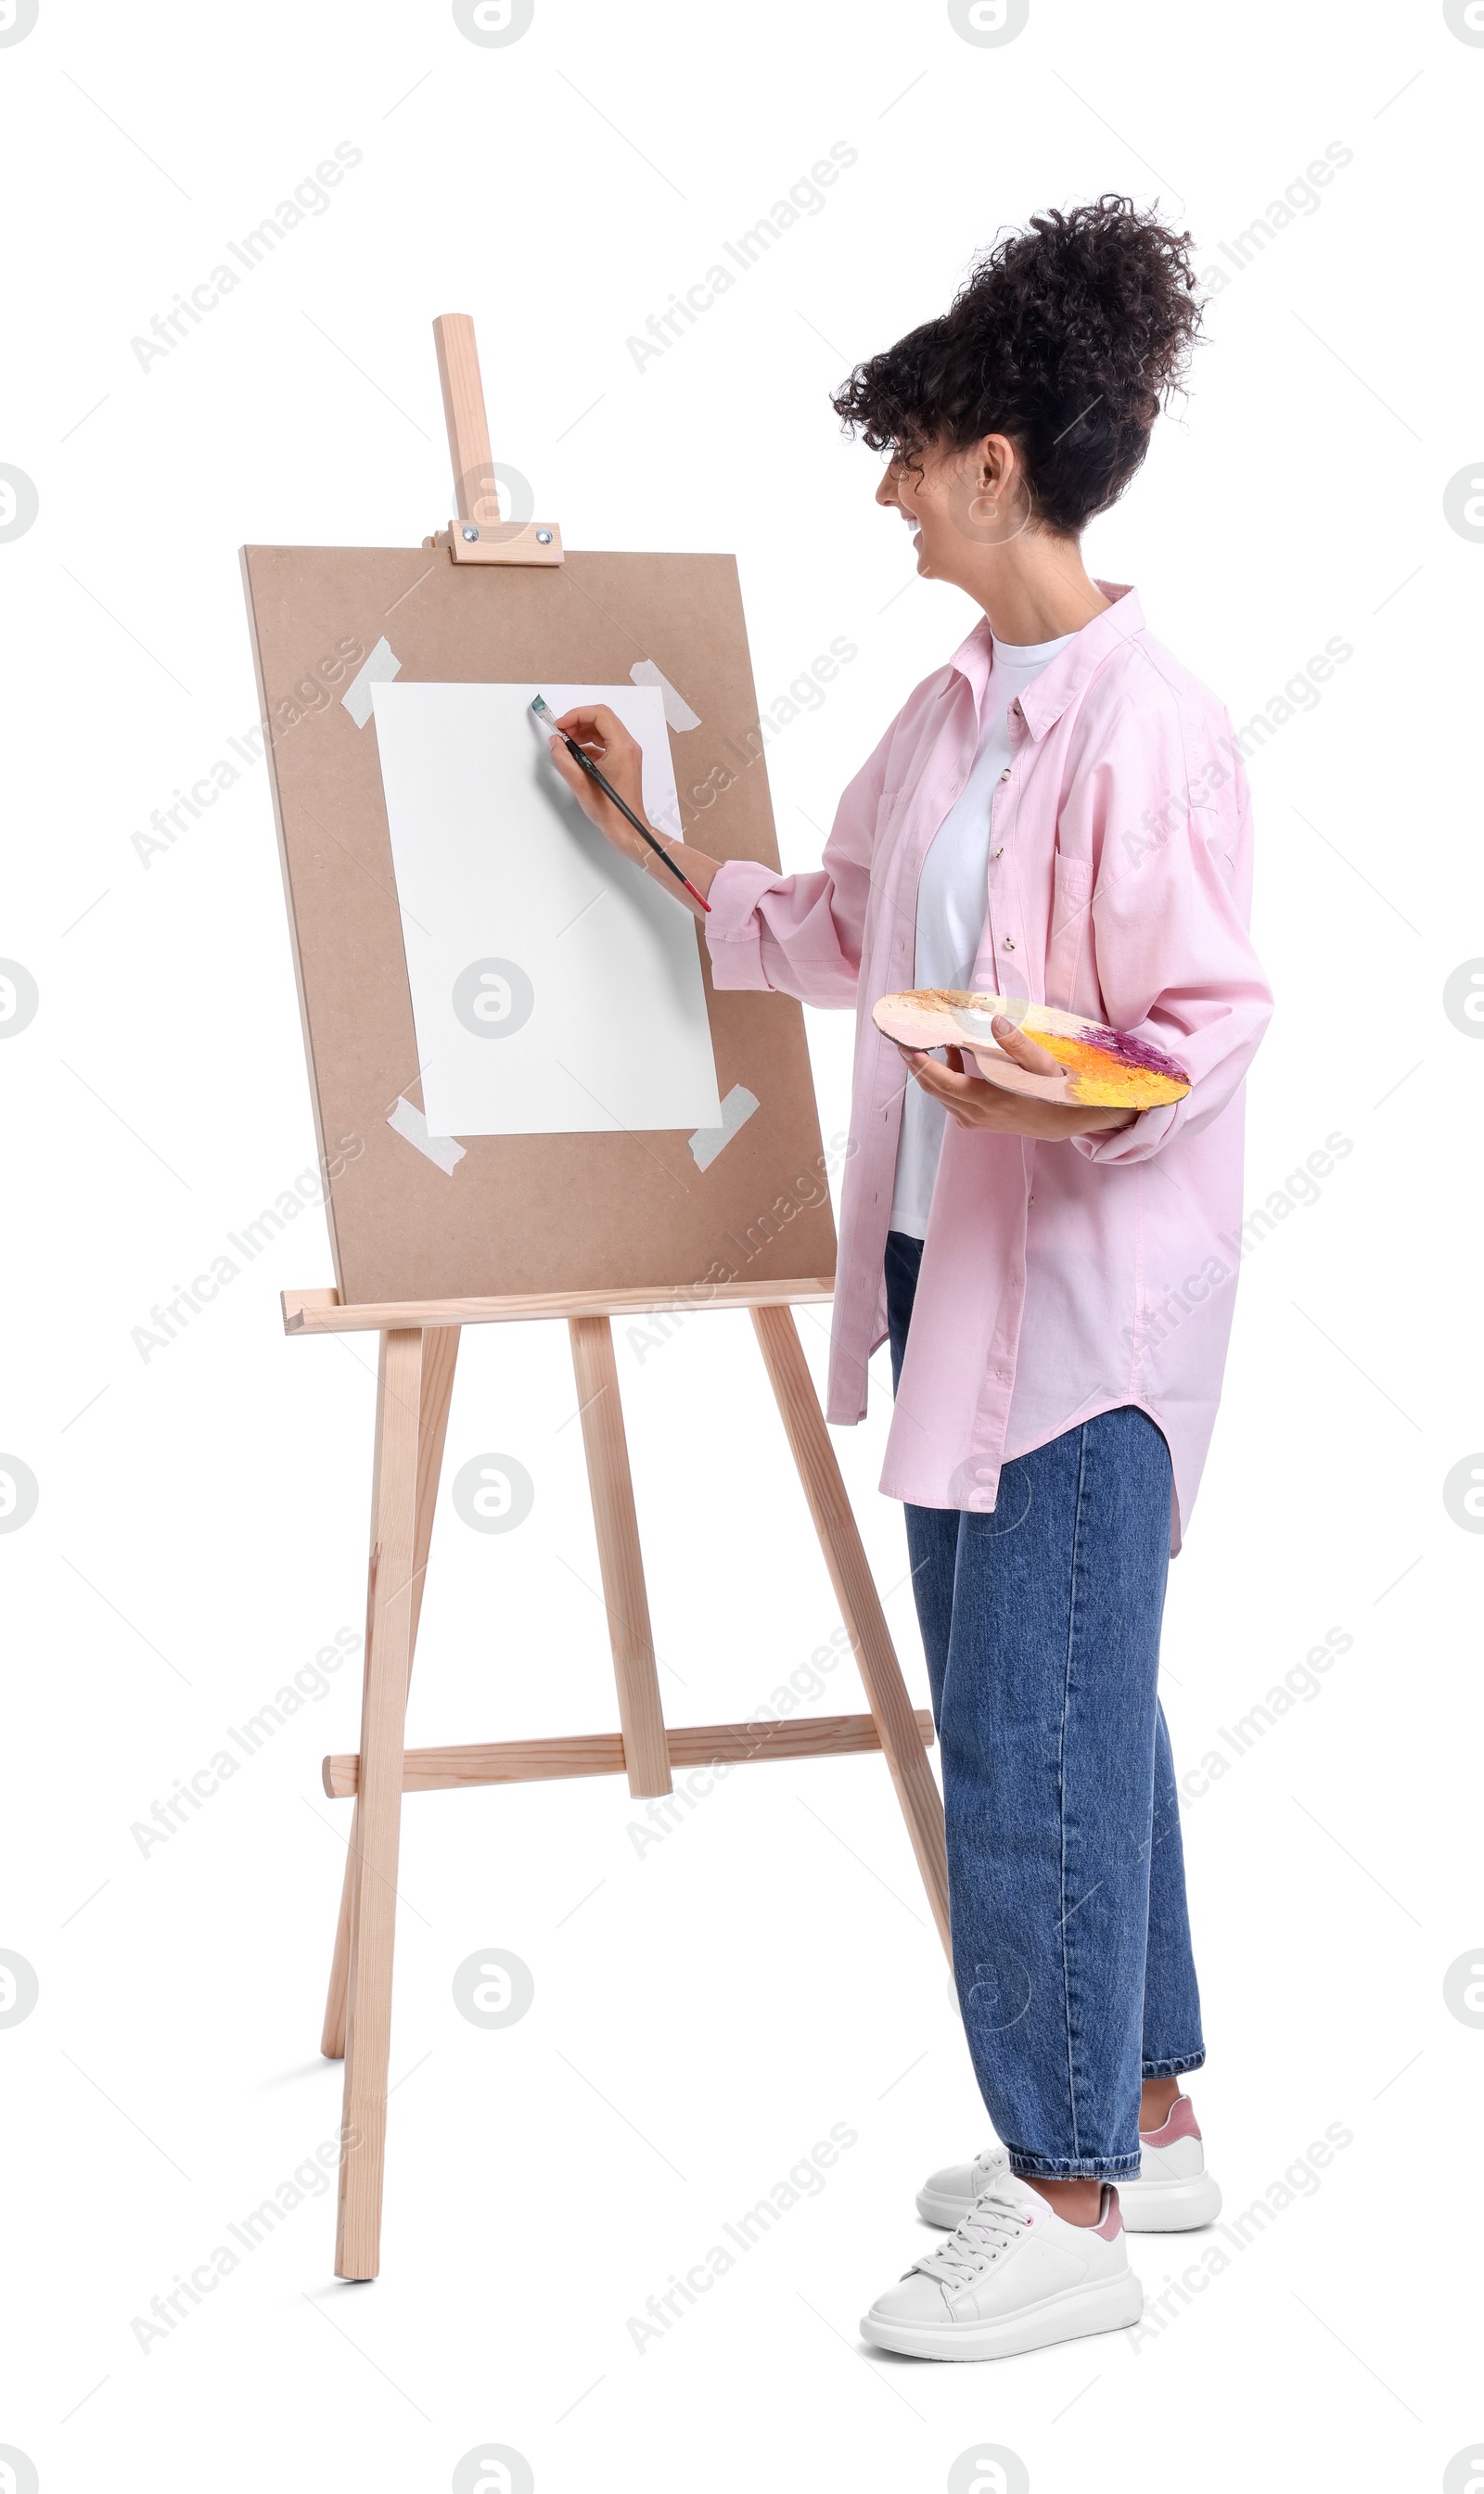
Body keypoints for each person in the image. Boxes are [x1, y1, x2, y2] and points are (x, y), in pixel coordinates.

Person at [544, 195, 1273, 2363]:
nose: (883, 486)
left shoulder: (1154, 725)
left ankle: (1062, 2209)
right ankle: (1138, 2110)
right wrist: (645, 834)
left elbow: (1204, 1025)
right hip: (948, 1280)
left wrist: (1080, 1097)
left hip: (1079, 1323)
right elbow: (839, 923)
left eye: (911, 447)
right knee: (1071, 1708)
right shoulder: (951, 712)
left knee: (1025, 1742)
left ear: (995, 466)